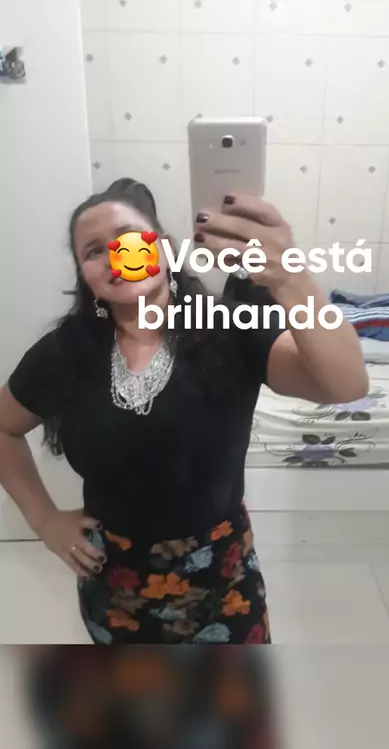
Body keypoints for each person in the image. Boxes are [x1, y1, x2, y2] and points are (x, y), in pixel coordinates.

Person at [0, 178, 368, 644]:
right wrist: (44, 521)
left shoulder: (230, 328)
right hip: (114, 587)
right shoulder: (62, 354)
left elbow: (346, 385)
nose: (117, 255)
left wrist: (289, 277)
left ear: (165, 248)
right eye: (93, 250)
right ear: (84, 275)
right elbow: (4, 428)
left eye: (130, 237)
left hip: (223, 584)